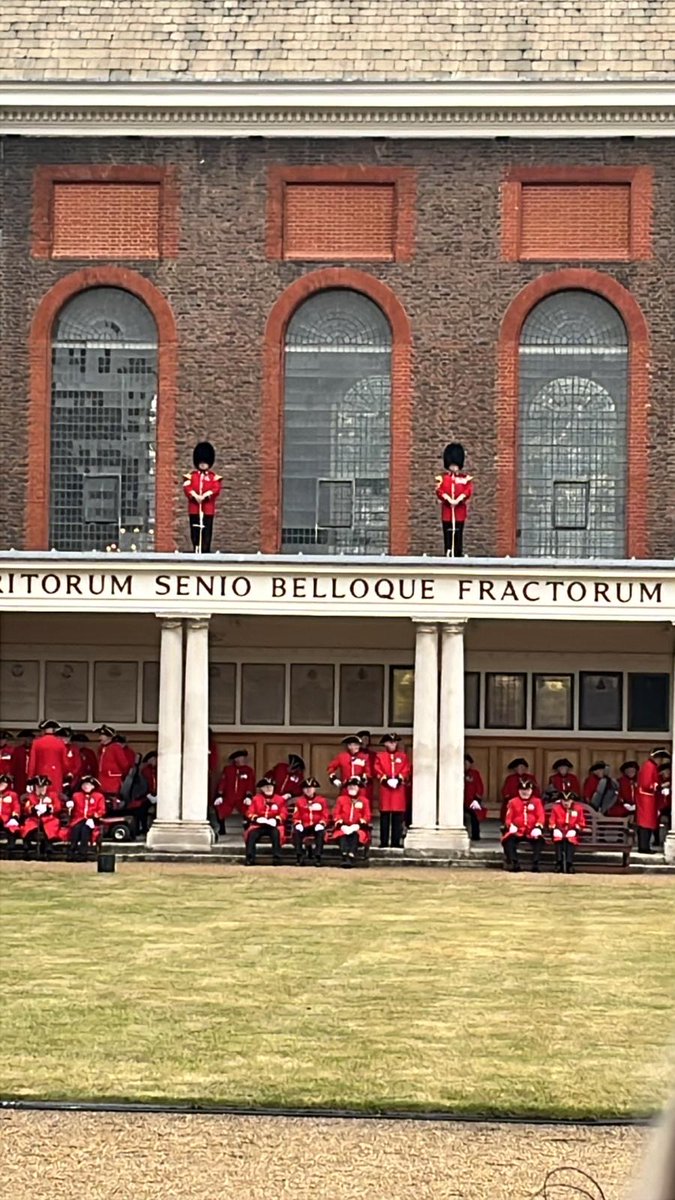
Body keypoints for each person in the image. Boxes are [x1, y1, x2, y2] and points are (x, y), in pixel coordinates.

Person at [183, 441, 222, 554]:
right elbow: (187, 487)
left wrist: (205, 495)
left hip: (208, 510)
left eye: (205, 462)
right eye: (201, 462)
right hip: (194, 509)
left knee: (206, 531)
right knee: (195, 530)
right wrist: (195, 495)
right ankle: (196, 548)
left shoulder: (213, 477)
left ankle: (205, 549)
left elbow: (216, 488)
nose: (203, 464)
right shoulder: (191, 476)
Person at [435, 441, 473, 557]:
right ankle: (448, 553)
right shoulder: (443, 478)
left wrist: (458, 500)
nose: (454, 467)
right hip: (447, 513)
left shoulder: (465, 479)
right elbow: (440, 491)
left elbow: (468, 491)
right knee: (448, 534)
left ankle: (458, 553)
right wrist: (448, 499)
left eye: (455, 465)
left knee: (458, 534)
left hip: (459, 512)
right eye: (452, 465)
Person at [373, 733, 411, 849]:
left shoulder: (403, 756)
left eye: (394, 742)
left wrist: (399, 778)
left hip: (398, 790)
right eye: (390, 742)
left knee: (397, 817)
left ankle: (396, 842)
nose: (393, 744)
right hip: (386, 789)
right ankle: (384, 842)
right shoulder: (380, 756)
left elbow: (406, 769)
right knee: (385, 817)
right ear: (385, 744)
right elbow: (377, 769)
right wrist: (385, 779)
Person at [502, 779, 546, 873]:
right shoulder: (513, 802)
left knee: (539, 841)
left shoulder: (537, 802)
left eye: (527, 790)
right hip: (517, 831)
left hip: (532, 831)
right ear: (519, 791)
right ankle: (514, 863)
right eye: (522, 790)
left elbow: (541, 816)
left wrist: (538, 827)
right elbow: (508, 818)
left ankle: (535, 863)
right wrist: (511, 825)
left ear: (531, 791)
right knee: (508, 841)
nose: (525, 792)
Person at [245, 778, 287, 866]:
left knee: (276, 834)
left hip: (273, 825)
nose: (269, 789)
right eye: (266, 787)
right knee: (252, 834)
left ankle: (277, 857)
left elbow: (284, 813)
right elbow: (249, 812)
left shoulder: (280, 799)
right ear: (262, 788)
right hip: (259, 825)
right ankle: (250, 857)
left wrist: (276, 819)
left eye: (270, 787)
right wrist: (256, 818)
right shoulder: (256, 799)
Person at [637, 748, 671, 854]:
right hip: (646, 799)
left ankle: (645, 846)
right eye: (659, 758)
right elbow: (647, 784)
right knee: (645, 824)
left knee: (648, 823)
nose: (660, 760)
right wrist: (661, 786)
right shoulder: (649, 766)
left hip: (649, 799)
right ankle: (644, 847)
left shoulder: (652, 766)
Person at [213, 749, 256, 835]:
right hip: (229, 797)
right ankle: (222, 827)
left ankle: (247, 828)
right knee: (219, 806)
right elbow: (223, 782)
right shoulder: (228, 770)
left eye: (243, 758)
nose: (243, 760)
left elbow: (250, 784)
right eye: (240, 758)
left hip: (242, 797)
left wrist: (249, 796)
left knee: (249, 808)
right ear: (236, 759)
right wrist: (219, 795)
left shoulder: (248, 770)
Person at [332, 776, 372, 868]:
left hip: (358, 828)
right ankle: (344, 855)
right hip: (343, 827)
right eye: (350, 786)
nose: (352, 788)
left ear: (358, 788)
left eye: (354, 786)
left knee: (355, 835)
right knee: (343, 836)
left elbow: (367, 815)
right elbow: (336, 813)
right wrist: (341, 824)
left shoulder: (364, 801)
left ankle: (351, 856)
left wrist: (358, 825)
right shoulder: (341, 799)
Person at [64, 775, 107, 859]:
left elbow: (101, 810)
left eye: (89, 785)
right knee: (76, 829)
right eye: (84, 785)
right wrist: (70, 806)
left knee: (85, 830)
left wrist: (95, 816)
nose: (86, 787)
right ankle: (72, 851)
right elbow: (72, 811)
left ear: (93, 786)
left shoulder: (99, 796)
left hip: (92, 820)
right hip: (78, 819)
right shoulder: (76, 796)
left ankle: (82, 853)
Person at [20, 775, 63, 859]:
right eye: (38, 787)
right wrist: (32, 809)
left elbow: (58, 807)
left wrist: (50, 808)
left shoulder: (52, 795)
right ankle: (27, 846)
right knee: (28, 827)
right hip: (34, 819)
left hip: (48, 818)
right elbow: (26, 808)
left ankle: (48, 846)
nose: (41, 789)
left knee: (50, 827)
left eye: (43, 787)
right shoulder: (30, 796)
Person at [292, 777, 331, 865]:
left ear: (314, 789)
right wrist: (297, 823)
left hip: (317, 825)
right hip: (304, 825)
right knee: (296, 832)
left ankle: (318, 857)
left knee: (320, 833)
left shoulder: (321, 800)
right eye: (306, 788)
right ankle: (299, 856)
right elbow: (296, 815)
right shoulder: (300, 801)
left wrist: (322, 823)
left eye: (310, 788)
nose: (308, 790)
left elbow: (325, 814)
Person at [548, 789, 586, 874]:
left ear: (572, 800)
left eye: (568, 801)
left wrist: (575, 829)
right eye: (564, 801)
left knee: (570, 841)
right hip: (559, 831)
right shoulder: (556, 808)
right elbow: (552, 821)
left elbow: (581, 822)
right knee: (558, 841)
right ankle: (559, 863)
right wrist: (554, 828)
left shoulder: (578, 808)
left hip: (572, 832)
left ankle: (569, 863)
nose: (566, 803)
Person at [28, 720, 69, 798]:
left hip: (41, 772)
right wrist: (66, 773)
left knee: (40, 795)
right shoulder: (60, 743)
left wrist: (30, 776)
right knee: (56, 797)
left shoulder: (36, 742)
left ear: (43, 730)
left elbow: (32, 762)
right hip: (56, 774)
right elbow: (65, 762)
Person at [95, 725, 133, 800]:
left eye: (102, 735)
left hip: (113, 781)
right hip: (102, 780)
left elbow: (124, 764)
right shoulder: (102, 748)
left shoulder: (116, 747)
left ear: (109, 737)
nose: (99, 738)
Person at [464, 754, 487, 841]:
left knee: (474, 816)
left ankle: (475, 835)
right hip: (459, 801)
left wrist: (477, 798)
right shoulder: (456, 773)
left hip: (471, 800)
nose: (465, 765)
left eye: (467, 763)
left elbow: (479, 786)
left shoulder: (474, 773)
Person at [0, 773, 22, 853]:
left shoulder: (12, 795)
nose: (2, 785)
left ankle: (10, 847)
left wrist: (15, 816)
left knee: (12, 828)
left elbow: (16, 806)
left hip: (7, 818)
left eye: (4, 783)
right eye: (1, 783)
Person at [11, 730, 34, 797]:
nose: (28, 740)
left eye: (30, 739)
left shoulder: (34, 750)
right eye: (26, 738)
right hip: (20, 777)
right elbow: (13, 764)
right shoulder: (18, 750)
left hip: (32, 777)